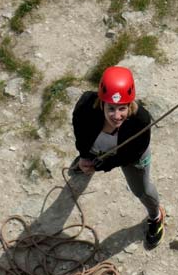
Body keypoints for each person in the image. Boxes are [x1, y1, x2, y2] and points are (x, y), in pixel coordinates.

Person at [68, 66, 165, 249]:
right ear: (102, 102)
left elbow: (131, 154)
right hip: (98, 147)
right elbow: (80, 131)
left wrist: (101, 165)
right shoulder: (86, 107)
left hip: (130, 156)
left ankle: (156, 216)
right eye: (111, 108)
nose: (117, 116)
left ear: (130, 104)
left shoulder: (140, 121)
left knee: (141, 190)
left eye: (122, 108)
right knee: (88, 155)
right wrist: (84, 155)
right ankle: (85, 164)